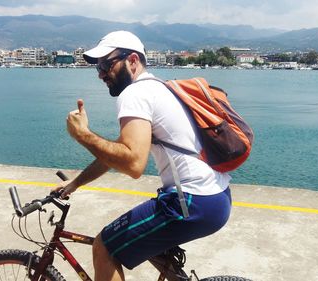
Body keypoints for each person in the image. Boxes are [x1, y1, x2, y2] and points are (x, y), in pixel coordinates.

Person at [53, 30, 232, 281]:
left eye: (107, 64)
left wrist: (82, 135)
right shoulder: (159, 88)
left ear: (133, 60)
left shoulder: (134, 94)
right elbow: (117, 151)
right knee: (149, 245)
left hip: (192, 202)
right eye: (98, 67)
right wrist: (75, 183)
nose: (101, 73)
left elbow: (133, 164)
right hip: (215, 197)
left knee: (104, 247)